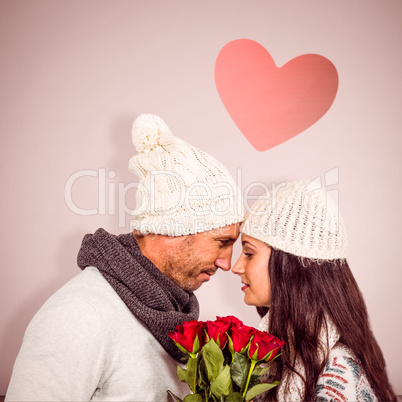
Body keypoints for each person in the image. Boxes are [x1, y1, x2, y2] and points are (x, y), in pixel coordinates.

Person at [6, 114, 243, 401]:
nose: (226, 263)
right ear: (173, 229)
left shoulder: (173, 312)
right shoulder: (79, 315)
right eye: (221, 242)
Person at [232, 180, 396, 401]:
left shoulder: (340, 378)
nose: (236, 267)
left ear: (290, 266)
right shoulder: (279, 351)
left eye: (249, 253)